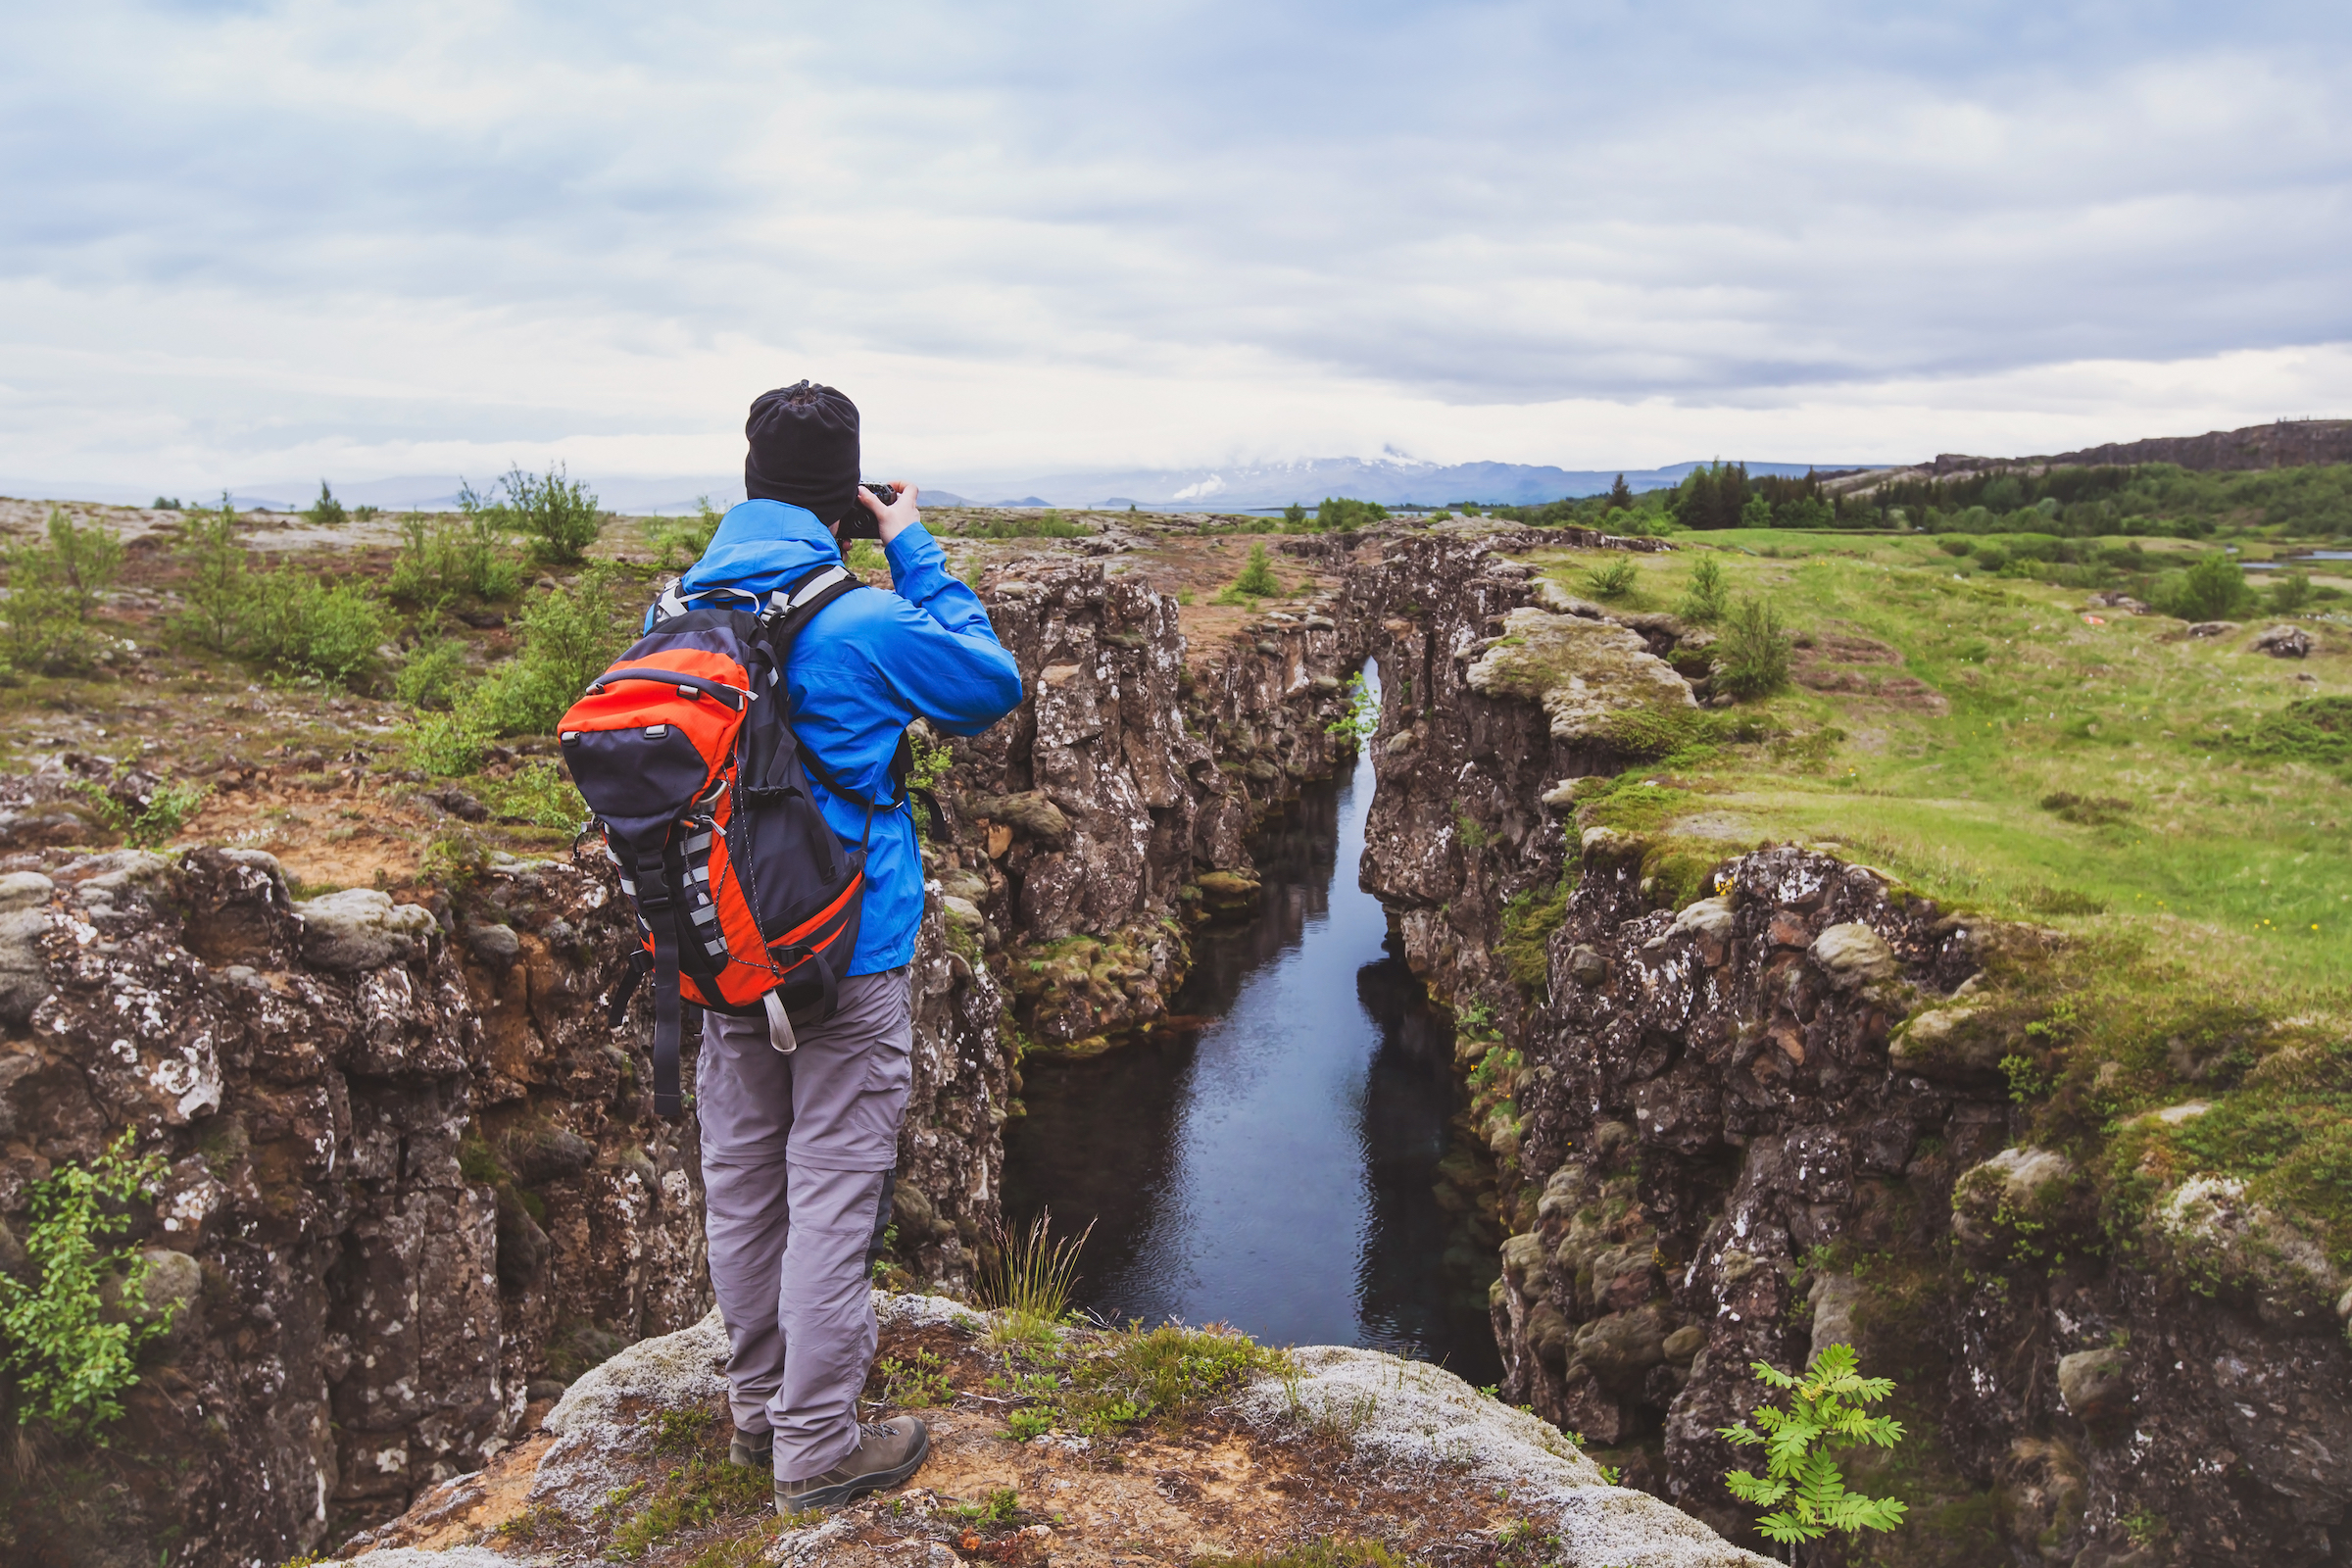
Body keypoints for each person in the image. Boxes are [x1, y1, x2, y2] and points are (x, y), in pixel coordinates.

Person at [676, 381, 1022, 1514]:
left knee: (742, 1183)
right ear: (848, 494)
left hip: (724, 951)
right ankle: (817, 1446)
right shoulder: (864, 621)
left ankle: (758, 1409)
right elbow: (989, 684)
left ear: (748, 484)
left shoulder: (675, 616)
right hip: (847, 955)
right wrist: (912, 542)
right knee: (830, 1188)